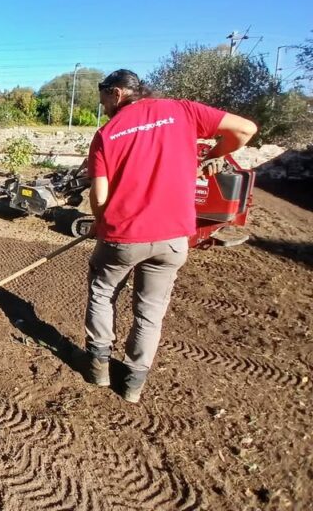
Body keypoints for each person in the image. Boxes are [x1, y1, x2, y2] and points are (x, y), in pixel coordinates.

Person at [84, 69, 257, 403]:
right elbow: (246, 129)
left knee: (103, 292)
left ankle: (99, 367)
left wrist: (99, 222)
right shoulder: (183, 110)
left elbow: (99, 195)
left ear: (117, 93)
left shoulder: (107, 133)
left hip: (123, 236)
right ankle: (133, 384)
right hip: (173, 239)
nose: (102, 103)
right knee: (150, 311)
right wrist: (213, 156)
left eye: (103, 95)